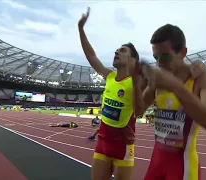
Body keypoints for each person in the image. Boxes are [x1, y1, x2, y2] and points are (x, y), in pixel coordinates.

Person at [133, 24, 206, 180]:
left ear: (183, 52)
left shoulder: (202, 78)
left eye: (165, 57)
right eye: (156, 57)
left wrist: (175, 87)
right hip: (156, 162)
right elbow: (138, 111)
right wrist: (136, 82)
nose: (160, 64)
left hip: (183, 167)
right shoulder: (158, 77)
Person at [78, 7, 143, 180]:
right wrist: (81, 29)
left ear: (133, 60)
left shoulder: (136, 82)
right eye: (116, 50)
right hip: (102, 144)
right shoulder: (109, 76)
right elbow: (91, 56)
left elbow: (141, 109)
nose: (116, 52)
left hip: (124, 147)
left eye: (122, 51)